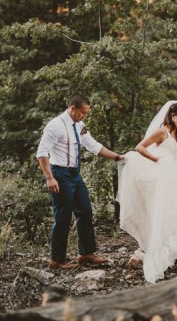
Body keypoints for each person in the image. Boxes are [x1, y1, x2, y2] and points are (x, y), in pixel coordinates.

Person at [117, 100, 177, 283]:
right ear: (172, 115)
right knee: (170, 216)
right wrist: (157, 159)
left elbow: (174, 155)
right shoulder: (162, 131)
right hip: (160, 180)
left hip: (173, 180)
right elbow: (140, 147)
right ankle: (171, 256)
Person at [37, 94, 125, 269]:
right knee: (62, 216)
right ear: (72, 108)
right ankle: (57, 260)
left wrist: (117, 157)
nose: (84, 116)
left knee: (85, 210)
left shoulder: (80, 125)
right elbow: (41, 153)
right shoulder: (55, 125)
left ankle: (85, 253)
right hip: (59, 174)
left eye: (86, 113)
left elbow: (93, 145)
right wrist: (49, 178)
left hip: (75, 175)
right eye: (82, 112)